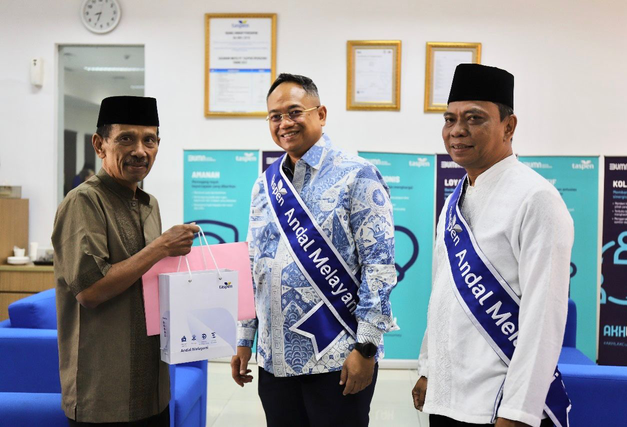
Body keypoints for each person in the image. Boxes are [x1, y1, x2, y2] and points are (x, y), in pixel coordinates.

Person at [230, 73, 398, 427]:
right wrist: (245, 338)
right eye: (275, 116)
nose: (284, 123)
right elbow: (254, 265)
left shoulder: (358, 174)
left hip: (337, 359)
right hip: (275, 360)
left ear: (320, 114)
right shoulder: (265, 183)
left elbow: (379, 267)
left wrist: (366, 348)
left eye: (294, 112)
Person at [411, 64, 574, 427]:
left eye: (474, 118)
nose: (457, 130)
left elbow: (543, 317)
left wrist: (518, 412)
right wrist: (428, 368)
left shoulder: (537, 199)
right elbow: (443, 295)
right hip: (448, 400)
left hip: (499, 406)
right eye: (449, 118)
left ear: (509, 126)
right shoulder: (455, 200)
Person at [52, 96, 200, 426]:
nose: (140, 150)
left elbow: (146, 279)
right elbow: (90, 292)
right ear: (99, 144)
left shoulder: (150, 205)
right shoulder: (83, 202)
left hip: (153, 387)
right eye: (126, 138)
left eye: (149, 139)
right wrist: (161, 247)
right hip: (103, 393)